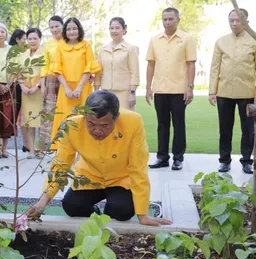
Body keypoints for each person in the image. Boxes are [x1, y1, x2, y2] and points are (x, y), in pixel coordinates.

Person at [26, 90, 173, 227]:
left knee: (122, 210)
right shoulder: (71, 126)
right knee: (71, 206)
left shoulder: (133, 123)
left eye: (104, 125)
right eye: (90, 123)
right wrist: (43, 201)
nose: (97, 130)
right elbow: (60, 166)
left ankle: (110, 215)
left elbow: (138, 167)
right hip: (89, 177)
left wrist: (142, 215)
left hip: (121, 179)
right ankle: (96, 214)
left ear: (116, 118)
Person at [146, 7, 197, 171]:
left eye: (171, 19)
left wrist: (190, 87)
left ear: (178, 20)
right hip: (160, 89)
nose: (167, 22)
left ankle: (178, 157)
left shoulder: (187, 38)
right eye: (165, 19)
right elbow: (151, 64)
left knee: (178, 124)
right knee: (162, 124)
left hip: (179, 89)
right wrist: (148, 87)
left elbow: (191, 64)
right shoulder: (154, 39)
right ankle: (162, 157)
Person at [209, 8, 256, 174]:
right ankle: (224, 160)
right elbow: (215, 68)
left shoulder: (253, 40)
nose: (235, 23)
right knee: (225, 128)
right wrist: (212, 91)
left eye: (238, 20)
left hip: (248, 93)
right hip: (224, 93)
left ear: (246, 21)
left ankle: (246, 161)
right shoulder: (221, 41)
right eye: (232, 20)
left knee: (248, 130)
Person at [50, 17, 102, 150]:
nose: (71, 31)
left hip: (83, 88)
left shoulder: (86, 45)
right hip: (65, 89)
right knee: (65, 120)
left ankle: (83, 153)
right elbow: (57, 69)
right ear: (65, 31)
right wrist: (67, 88)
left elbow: (89, 67)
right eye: (68, 29)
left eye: (74, 28)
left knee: (84, 119)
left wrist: (79, 87)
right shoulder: (61, 46)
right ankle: (64, 153)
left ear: (79, 30)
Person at [94, 17, 139, 111]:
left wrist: (132, 93)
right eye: (112, 28)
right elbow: (99, 71)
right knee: (107, 121)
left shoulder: (130, 48)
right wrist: (96, 90)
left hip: (124, 92)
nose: (114, 31)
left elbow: (134, 72)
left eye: (117, 28)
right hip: (106, 92)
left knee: (124, 120)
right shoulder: (103, 49)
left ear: (124, 29)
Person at [16, 28, 44, 159]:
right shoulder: (23, 54)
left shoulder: (44, 53)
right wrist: (22, 86)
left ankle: (42, 149)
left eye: (35, 38)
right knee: (30, 121)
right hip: (26, 90)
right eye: (30, 38)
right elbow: (19, 73)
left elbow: (45, 72)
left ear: (40, 39)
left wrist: (37, 86)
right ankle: (31, 149)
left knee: (41, 121)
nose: (32, 41)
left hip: (39, 90)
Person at [40, 15, 64, 151]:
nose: (54, 29)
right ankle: (47, 146)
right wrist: (43, 84)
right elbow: (44, 64)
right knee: (49, 112)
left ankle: (63, 144)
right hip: (50, 80)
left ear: (62, 25)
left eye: (57, 26)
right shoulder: (48, 44)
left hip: (66, 80)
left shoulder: (68, 42)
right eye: (52, 27)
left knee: (63, 111)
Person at [0, 23, 14, 158]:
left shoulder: (12, 50)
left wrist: (9, 84)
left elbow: (15, 68)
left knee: (7, 118)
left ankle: (5, 148)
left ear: (6, 34)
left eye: (2, 32)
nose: (0, 34)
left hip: (9, 87)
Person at [8, 29, 28, 152]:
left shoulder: (27, 51)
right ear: (17, 40)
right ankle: (23, 142)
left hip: (27, 85)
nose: (26, 42)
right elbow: (12, 70)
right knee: (17, 114)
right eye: (24, 39)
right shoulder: (13, 52)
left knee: (25, 114)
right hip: (16, 86)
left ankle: (26, 143)